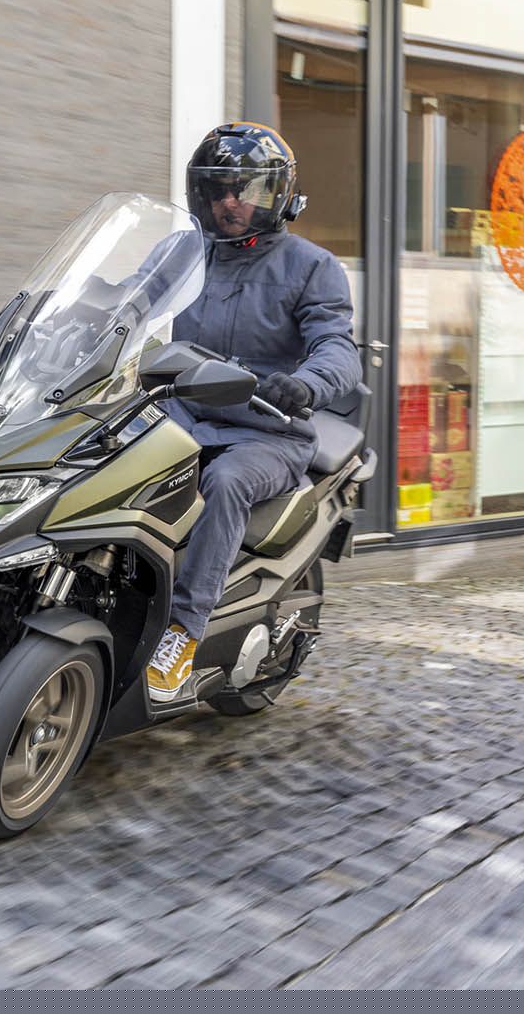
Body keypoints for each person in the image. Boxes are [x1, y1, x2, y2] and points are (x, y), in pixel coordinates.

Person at [145, 122, 362, 703]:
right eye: (217, 190)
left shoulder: (311, 266)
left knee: (225, 483)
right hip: (185, 414)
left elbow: (338, 347)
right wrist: (70, 320)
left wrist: (307, 384)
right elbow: (128, 300)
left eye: (245, 190)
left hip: (267, 431)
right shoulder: (184, 253)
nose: (230, 202)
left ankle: (182, 632)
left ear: (277, 194)